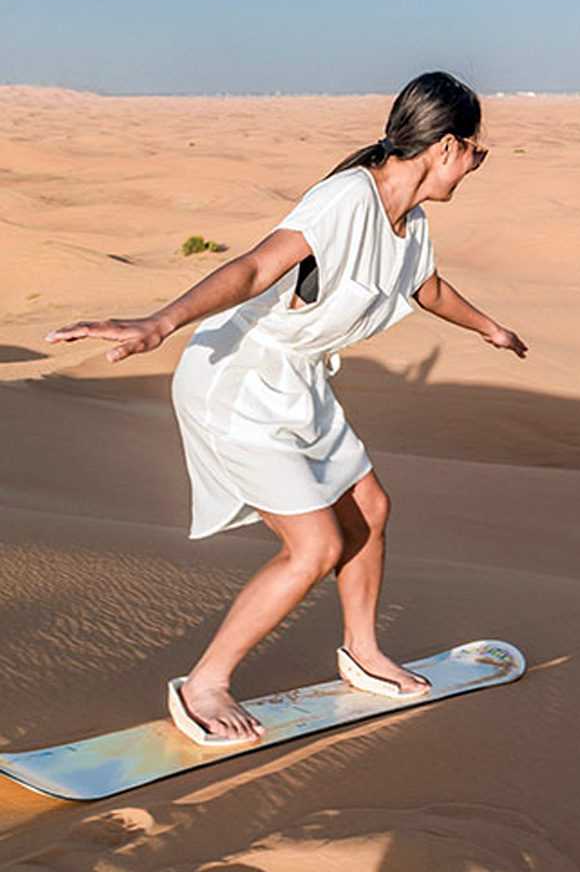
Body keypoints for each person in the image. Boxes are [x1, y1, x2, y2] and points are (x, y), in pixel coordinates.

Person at [44, 70, 528, 745]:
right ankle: (204, 684)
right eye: (477, 151)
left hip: (297, 382)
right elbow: (251, 269)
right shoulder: (345, 200)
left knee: (371, 509)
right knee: (315, 547)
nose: (477, 164)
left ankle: (362, 650)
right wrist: (158, 323)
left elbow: (427, 287)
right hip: (238, 383)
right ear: (446, 147)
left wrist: (488, 328)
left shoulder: (409, 223)